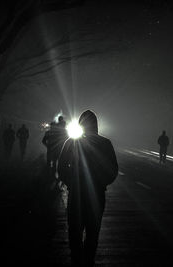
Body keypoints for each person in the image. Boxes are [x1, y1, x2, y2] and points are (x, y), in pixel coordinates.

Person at [58, 110, 118, 267]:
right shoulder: (105, 144)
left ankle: (77, 260)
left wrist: (71, 183)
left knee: (75, 231)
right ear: (96, 125)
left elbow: (61, 168)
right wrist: (101, 182)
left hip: (76, 194)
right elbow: (113, 170)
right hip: (96, 195)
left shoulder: (71, 143)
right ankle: (88, 260)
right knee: (93, 231)